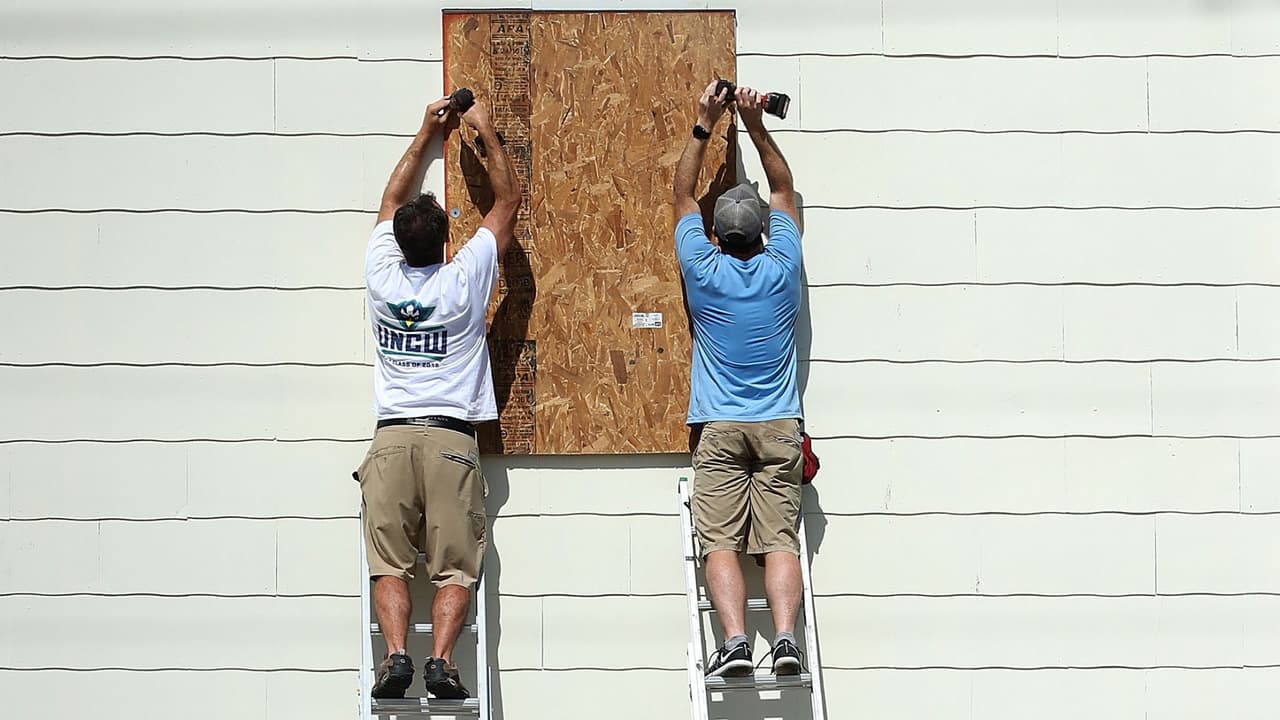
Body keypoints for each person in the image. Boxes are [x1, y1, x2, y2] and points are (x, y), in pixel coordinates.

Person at [356, 90, 520, 700]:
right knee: (455, 564)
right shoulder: (463, 280)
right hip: (451, 440)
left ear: (399, 243)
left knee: (388, 562)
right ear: (446, 239)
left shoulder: (381, 275)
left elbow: (389, 200)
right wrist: (485, 129)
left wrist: (427, 133)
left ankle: (397, 656)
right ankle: (443, 664)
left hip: (392, 438)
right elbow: (507, 202)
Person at [672, 81, 806, 678]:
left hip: (720, 427)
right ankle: (786, 642)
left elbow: (681, 195)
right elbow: (783, 189)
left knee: (720, 541)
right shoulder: (783, 265)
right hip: (778, 425)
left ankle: (733, 644)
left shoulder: (702, 270)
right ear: (762, 233)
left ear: (718, 236)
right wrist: (753, 122)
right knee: (779, 540)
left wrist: (705, 123)